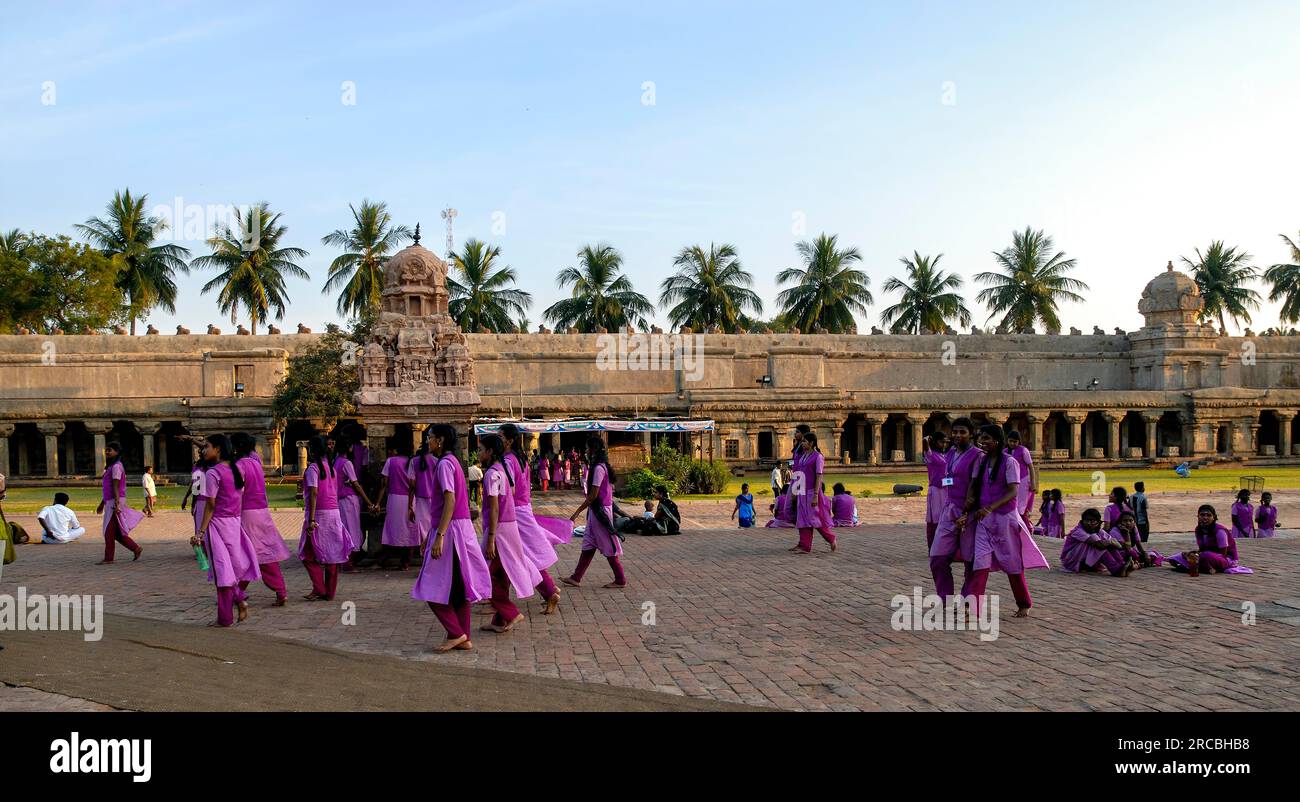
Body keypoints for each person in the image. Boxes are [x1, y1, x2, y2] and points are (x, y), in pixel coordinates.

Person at [410, 424, 492, 652]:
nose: (428, 441)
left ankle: (456, 632)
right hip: (457, 527)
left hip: (452, 529)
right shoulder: (453, 462)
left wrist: (440, 536)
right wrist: (432, 534)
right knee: (458, 585)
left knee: (430, 585)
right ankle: (462, 635)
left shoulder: (445, 464)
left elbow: (450, 500)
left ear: (441, 440)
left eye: (430, 437)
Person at [960, 424, 1049, 617]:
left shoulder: (1010, 462)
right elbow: (974, 486)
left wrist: (991, 507)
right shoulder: (981, 462)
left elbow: (1013, 491)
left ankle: (1024, 602)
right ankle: (973, 607)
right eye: (981, 439)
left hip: (1004, 519)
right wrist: (967, 508)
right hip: (985, 521)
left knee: (1012, 563)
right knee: (980, 562)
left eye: (987, 439)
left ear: (997, 441)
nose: (983, 442)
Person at [476, 434, 543, 634]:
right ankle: (500, 620)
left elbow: (495, 508)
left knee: (483, 574)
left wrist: (491, 538)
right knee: (501, 573)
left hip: (500, 529)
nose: (478, 453)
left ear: (489, 452)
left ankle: (510, 612)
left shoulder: (492, 474)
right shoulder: (501, 471)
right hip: (507, 526)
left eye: (480, 450)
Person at [191, 434, 261, 627]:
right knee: (227, 570)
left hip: (218, 525)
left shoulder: (213, 473)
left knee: (222, 572)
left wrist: (201, 532)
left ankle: (225, 617)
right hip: (233, 524)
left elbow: (210, 505)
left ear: (218, 449)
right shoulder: (237, 469)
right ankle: (239, 599)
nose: (204, 450)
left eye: (207, 447)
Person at [499, 423, 567, 614]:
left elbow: (509, 490)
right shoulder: (521, 459)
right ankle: (500, 600)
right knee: (513, 555)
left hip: (514, 513)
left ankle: (548, 590)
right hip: (523, 509)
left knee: (520, 556)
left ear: (510, 440)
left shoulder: (508, 461)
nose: (499, 440)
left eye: (501, 436)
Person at [232, 433, 290, 606]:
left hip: (248, 513)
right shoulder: (256, 463)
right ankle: (277, 590)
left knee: (247, 552)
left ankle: (236, 592)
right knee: (263, 551)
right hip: (262, 511)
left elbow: (237, 492)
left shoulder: (240, 465)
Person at [562, 435, 628, 588]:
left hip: (600, 511)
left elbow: (593, 495)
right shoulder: (600, 466)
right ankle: (576, 577)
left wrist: (577, 512)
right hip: (596, 511)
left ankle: (620, 579)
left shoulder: (598, 469)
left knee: (608, 546)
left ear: (593, 450)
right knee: (588, 543)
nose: (585, 451)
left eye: (587, 448)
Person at [929, 417, 982, 601]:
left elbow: (975, 486)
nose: (958, 435)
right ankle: (945, 598)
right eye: (955, 432)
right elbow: (951, 478)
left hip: (969, 512)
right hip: (949, 508)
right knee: (937, 557)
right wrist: (939, 483)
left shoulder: (977, 456)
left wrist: (967, 513)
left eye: (962, 432)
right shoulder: (951, 453)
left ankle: (968, 598)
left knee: (970, 559)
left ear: (971, 434)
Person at [299, 436, 349, 601]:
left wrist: (312, 520)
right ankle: (329, 592)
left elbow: (314, 492)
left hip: (319, 514)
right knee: (332, 555)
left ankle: (320, 588)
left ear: (312, 451)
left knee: (307, 554)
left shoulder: (314, 468)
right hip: (333, 513)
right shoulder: (331, 468)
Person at [330, 433, 377, 567]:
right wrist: (369, 502)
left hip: (339, 499)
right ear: (349, 448)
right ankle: (349, 563)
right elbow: (356, 484)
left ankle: (345, 560)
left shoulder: (336, 461)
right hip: (349, 499)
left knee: (345, 529)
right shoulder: (346, 463)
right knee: (352, 530)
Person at [1166, 504, 1251, 576]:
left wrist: (1200, 555)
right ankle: (1203, 567)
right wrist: (1191, 554)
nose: (1205, 518)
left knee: (1205, 556)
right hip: (1206, 556)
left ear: (1214, 517)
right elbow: (1202, 549)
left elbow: (1223, 554)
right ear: (1198, 516)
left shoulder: (1220, 531)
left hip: (1226, 559)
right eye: (1202, 515)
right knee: (1176, 557)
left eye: (1209, 515)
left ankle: (1199, 567)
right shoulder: (1198, 530)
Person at [96, 441, 145, 564]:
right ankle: (135, 548)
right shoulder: (111, 467)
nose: (107, 452)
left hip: (115, 500)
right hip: (111, 500)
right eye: (106, 450)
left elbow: (116, 486)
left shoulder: (117, 466)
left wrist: (117, 504)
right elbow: (109, 488)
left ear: (117, 452)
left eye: (110, 450)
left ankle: (109, 558)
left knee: (108, 530)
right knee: (116, 532)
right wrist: (102, 503)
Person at [789, 429, 836, 554]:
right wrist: (795, 490)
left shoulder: (818, 457)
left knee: (814, 518)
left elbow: (819, 476)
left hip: (811, 491)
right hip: (802, 491)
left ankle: (830, 538)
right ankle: (804, 545)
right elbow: (799, 474)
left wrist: (815, 494)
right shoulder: (803, 456)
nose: (802, 443)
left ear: (811, 443)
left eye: (804, 441)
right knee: (802, 518)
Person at [378, 443, 418, 569]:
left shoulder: (391, 461)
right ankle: (405, 562)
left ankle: (386, 558)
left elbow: (384, 484)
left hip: (394, 499)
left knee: (391, 528)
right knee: (409, 528)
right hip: (410, 499)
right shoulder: (413, 462)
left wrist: (378, 502)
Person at [1059, 508, 1131, 576]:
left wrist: (1123, 536)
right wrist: (1111, 542)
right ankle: (1116, 569)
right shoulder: (1078, 531)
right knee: (1098, 547)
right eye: (1086, 520)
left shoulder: (1099, 531)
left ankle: (1122, 565)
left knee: (1109, 545)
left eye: (1092, 521)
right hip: (1072, 561)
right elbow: (1098, 544)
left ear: (1098, 522)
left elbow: (1118, 545)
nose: (1089, 523)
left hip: (1086, 561)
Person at [1004, 430, 1037, 531]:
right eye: (1011, 441)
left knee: (1021, 506)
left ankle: (1023, 527)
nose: (1013, 443)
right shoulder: (1004, 451)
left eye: (1015, 441)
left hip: (1023, 480)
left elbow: (1030, 467)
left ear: (1019, 442)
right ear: (1007, 441)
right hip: (1010, 480)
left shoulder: (1023, 450)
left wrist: (1033, 483)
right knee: (1010, 502)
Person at [922, 432, 948, 547]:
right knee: (935, 517)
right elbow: (925, 444)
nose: (944, 444)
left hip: (946, 488)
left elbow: (947, 477)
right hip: (936, 490)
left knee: (945, 516)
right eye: (941, 442)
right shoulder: (930, 455)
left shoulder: (944, 455)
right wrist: (927, 439)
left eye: (945, 442)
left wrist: (953, 482)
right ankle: (933, 545)